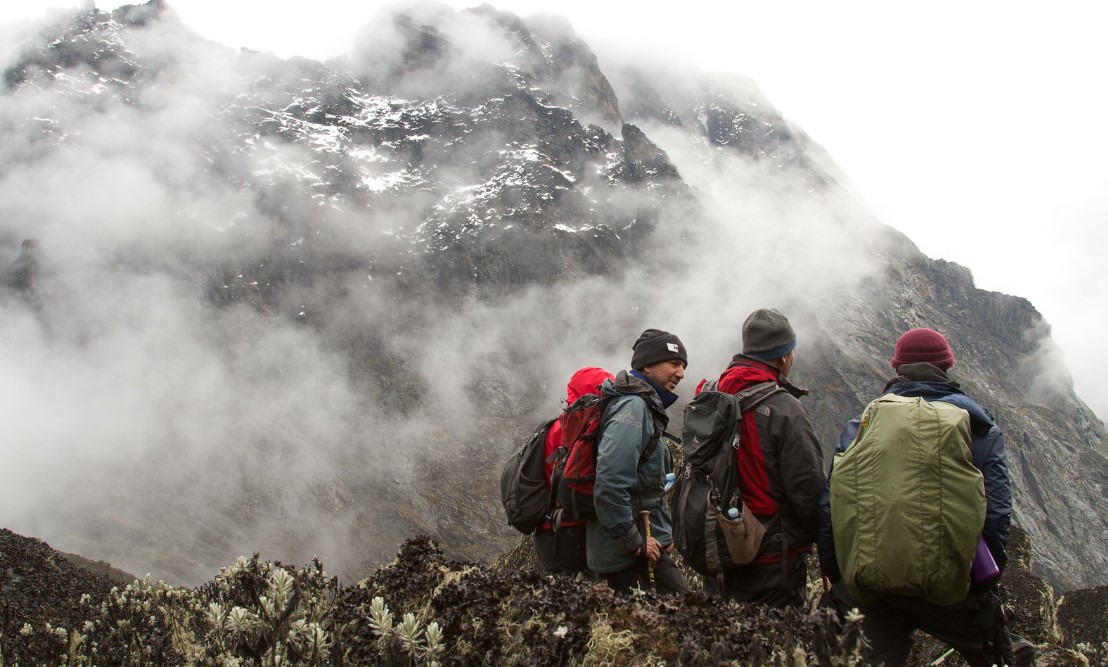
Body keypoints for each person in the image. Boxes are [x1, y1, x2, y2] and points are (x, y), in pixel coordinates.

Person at [818, 327, 1035, 667]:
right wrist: (984, 578)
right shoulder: (977, 426)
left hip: (872, 583)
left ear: (897, 368)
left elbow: (832, 504)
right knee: (1012, 655)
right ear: (947, 367)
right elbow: (996, 512)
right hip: (950, 584)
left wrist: (840, 576)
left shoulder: (861, 423)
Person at [699, 308, 824, 607]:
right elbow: (808, 489)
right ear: (783, 356)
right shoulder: (785, 408)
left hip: (719, 547)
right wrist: (828, 547)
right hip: (771, 559)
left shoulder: (713, 394)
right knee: (772, 646)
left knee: (721, 639)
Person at [587, 328, 689, 594]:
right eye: (675, 364)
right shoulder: (633, 407)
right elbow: (610, 481)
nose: (681, 373)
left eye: (683, 366)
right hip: (627, 555)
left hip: (643, 546)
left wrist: (663, 533)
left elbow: (648, 487)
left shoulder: (644, 405)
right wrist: (634, 541)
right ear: (648, 365)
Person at [534, 366, 614, 575]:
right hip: (579, 528)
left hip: (551, 529)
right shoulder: (590, 428)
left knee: (561, 598)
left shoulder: (555, 427)